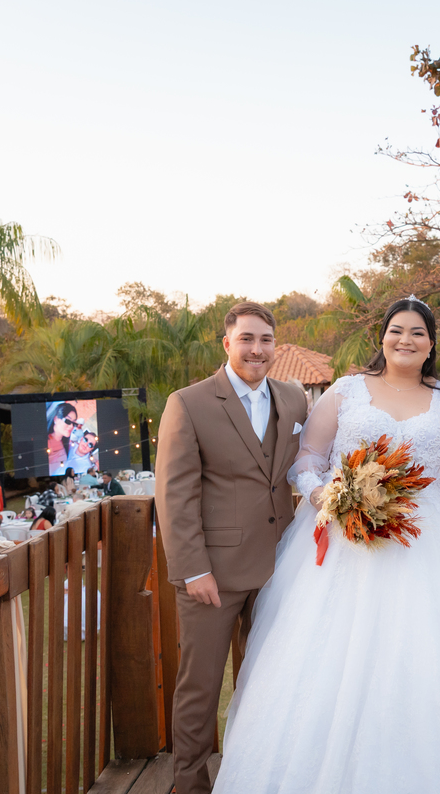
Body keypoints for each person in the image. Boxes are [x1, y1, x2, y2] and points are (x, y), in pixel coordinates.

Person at [210, 297, 440, 794]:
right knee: (329, 662)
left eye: (418, 334)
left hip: (435, 541)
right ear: (382, 338)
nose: (405, 340)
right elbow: (308, 458)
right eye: (396, 331)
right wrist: (333, 496)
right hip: (348, 545)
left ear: (431, 345)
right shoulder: (346, 392)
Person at [156, 301, 309, 794]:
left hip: (281, 567)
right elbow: (175, 494)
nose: (257, 349)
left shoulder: (294, 398)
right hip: (213, 575)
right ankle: (190, 783)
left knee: (271, 682)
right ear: (227, 343)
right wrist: (192, 568)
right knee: (200, 687)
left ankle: (261, 776)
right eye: (247, 339)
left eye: (266, 340)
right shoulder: (189, 402)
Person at [47, 402, 80, 473]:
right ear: (56, 419)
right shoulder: (46, 444)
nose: (71, 426)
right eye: (67, 421)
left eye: (74, 423)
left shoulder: (65, 443)